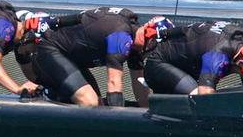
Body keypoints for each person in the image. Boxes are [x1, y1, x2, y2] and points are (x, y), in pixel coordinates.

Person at [32, 7, 161, 107]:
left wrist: (147, 110)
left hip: (71, 57)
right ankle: (47, 94)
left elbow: (141, 90)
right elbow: (113, 83)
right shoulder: (121, 36)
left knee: (98, 105)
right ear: (149, 36)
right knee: (89, 101)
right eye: (154, 47)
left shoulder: (137, 43)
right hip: (51, 50)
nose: (150, 53)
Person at [142, 20, 243, 95]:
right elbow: (205, 96)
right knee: (196, 96)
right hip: (158, 63)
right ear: (240, 64)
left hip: (182, 59)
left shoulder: (238, 37)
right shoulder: (217, 57)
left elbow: (190, 29)